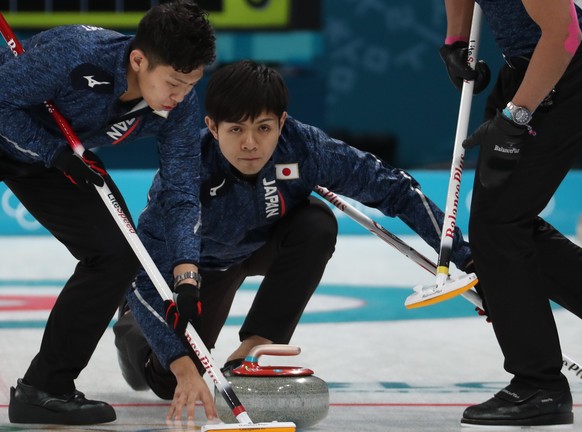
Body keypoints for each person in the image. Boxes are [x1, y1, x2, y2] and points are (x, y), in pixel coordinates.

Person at [113, 59, 477, 422]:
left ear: (282, 123)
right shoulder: (185, 171)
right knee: (170, 380)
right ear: (212, 126)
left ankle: (257, 344)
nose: (251, 144)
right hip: (197, 269)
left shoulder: (303, 148)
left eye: (264, 127)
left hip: (266, 244)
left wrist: (465, 257)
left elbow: (396, 189)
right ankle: (132, 327)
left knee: (317, 223)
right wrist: (179, 364)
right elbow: (143, 272)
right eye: (236, 130)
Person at [0, 0, 215, 425]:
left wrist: (186, 271)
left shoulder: (179, 107)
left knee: (117, 255)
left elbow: (181, 188)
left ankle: (45, 388)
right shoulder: (74, 54)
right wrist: (53, 152)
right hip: (21, 130)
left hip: (55, 158)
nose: (181, 96)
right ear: (138, 60)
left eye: (190, 84)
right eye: (173, 82)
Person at [439, 0, 582, 427]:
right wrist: (456, 39)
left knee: (499, 225)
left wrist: (516, 117)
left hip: (562, 65)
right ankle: (538, 383)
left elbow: (566, 34)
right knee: (499, 226)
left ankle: (540, 387)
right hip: (526, 65)